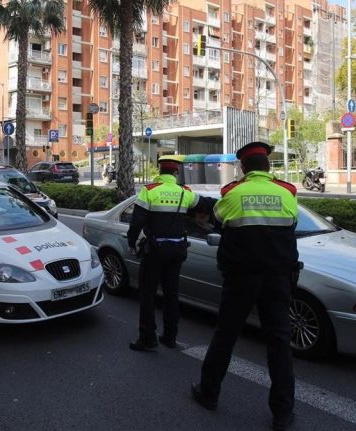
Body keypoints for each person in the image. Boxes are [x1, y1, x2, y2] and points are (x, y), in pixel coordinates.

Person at [191, 142, 300, 431]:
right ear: (268, 167)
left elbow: (218, 220)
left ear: (243, 168)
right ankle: (282, 414)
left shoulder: (233, 193)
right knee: (279, 342)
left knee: (226, 335)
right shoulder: (287, 194)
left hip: (241, 279)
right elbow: (291, 224)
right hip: (278, 279)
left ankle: (208, 392)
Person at [126, 158, 206, 351]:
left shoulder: (150, 190)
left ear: (159, 171)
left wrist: (132, 243)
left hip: (154, 251)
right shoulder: (184, 192)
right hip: (177, 251)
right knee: (171, 294)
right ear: (176, 173)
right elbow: (204, 205)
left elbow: (137, 222)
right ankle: (170, 336)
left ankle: (148, 339)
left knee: (148, 295)